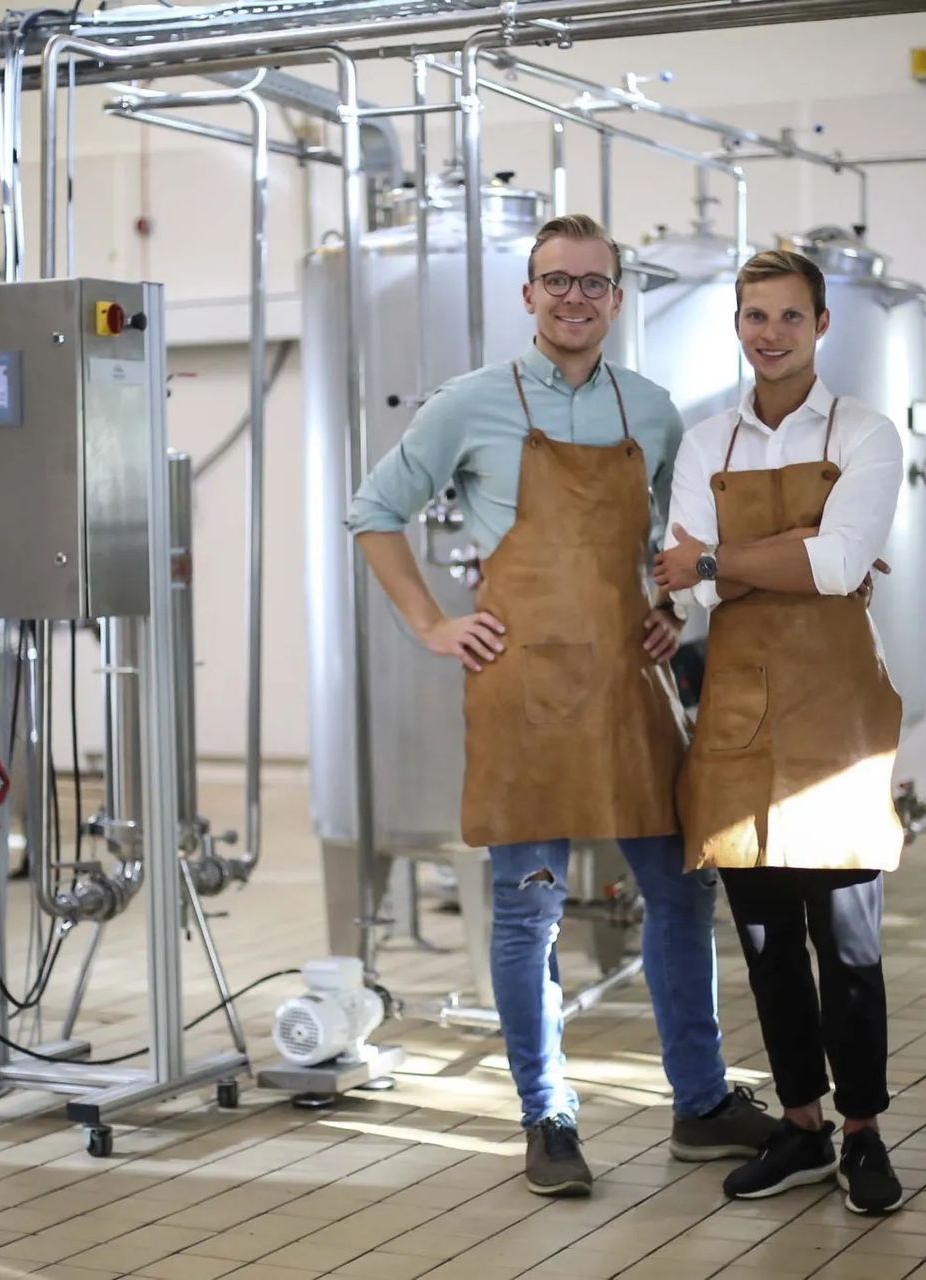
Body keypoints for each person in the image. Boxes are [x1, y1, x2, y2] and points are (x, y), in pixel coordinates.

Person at [350, 215, 778, 1197]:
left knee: (677, 894)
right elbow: (375, 512)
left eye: (593, 282)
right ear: (529, 294)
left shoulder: (653, 408)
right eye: (557, 281)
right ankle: (546, 1115)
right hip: (524, 689)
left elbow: (678, 540)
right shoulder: (469, 404)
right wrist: (432, 625)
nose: (574, 297)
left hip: (632, 682)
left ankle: (702, 1104)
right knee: (526, 910)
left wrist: (676, 606)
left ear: (617, 298)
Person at [653, 247, 907, 1214]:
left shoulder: (867, 432)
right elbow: (687, 579)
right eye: (755, 316)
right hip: (740, 705)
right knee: (764, 936)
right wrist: (775, 555)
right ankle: (801, 1124)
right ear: (739, 324)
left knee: (848, 941)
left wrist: (724, 559)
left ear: (821, 325)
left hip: (836, 709)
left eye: (789, 317)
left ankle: (865, 1131)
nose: (771, 334)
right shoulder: (705, 441)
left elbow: (843, 565)